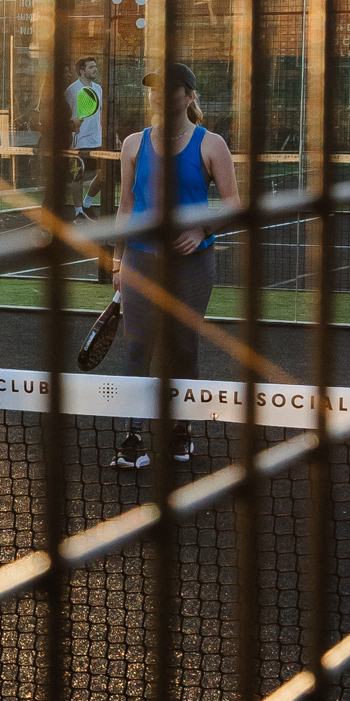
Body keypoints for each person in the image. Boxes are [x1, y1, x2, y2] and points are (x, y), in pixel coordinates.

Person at [111, 61, 238, 473]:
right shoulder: (133, 143)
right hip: (140, 263)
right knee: (136, 348)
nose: (158, 96)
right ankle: (132, 437)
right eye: (153, 89)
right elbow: (126, 208)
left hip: (193, 266)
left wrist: (202, 230)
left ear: (189, 96)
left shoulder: (210, 144)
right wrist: (116, 260)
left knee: (183, 349)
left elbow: (234, 205)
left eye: (169, 89)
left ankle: (181, 431)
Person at [65, 55, 104, 212]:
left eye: (95, 66)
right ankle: (78, 212)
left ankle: (87, 204)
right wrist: (72, 125)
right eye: (91, 67)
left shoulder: (98, 89)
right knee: (77, 177)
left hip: (97, 141)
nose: (95, 69)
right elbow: (65, 116)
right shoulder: (71, 90)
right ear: (81, 71)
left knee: (103, 176)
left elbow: (100, 114)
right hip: (78, 142)